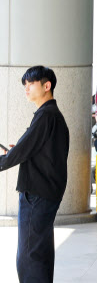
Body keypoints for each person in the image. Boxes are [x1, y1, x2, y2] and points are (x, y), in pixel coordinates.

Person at [0, 66, 69, 283]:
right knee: (39, 251)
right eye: (25, 85)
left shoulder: (46, 116)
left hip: (37, 194)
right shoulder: (50, 115)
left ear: (46, 86)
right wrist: (17, 151)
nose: (26, 88)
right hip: (45, 192)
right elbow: (34, 149)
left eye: (31, 83)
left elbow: (23, 149)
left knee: (30, 256)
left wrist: (6, 159)